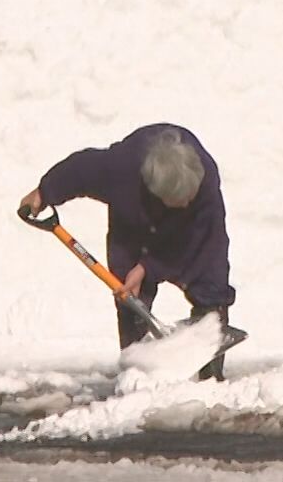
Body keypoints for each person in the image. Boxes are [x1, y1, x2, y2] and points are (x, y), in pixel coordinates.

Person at [19, 123, 236, 379]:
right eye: (179, 200)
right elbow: (79, 171)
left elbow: (189, 243)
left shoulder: (204, 186)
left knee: (210, 279)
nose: (185, 202)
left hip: (196, 226)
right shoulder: (120, 170)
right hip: (135, 223)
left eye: (189, 197)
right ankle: (139, 374)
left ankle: (211, 371)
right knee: (130, 295)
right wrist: (45, 192)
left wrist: (148, 266)